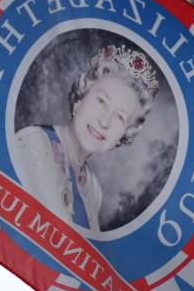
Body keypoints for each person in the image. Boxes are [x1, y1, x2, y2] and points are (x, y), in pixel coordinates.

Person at [12, 43, 159, 232]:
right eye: (101, 101)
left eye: (120, 117)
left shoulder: (92, 188)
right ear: (80, 98)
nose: (105, 121)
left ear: (125, 135)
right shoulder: (35, 144)